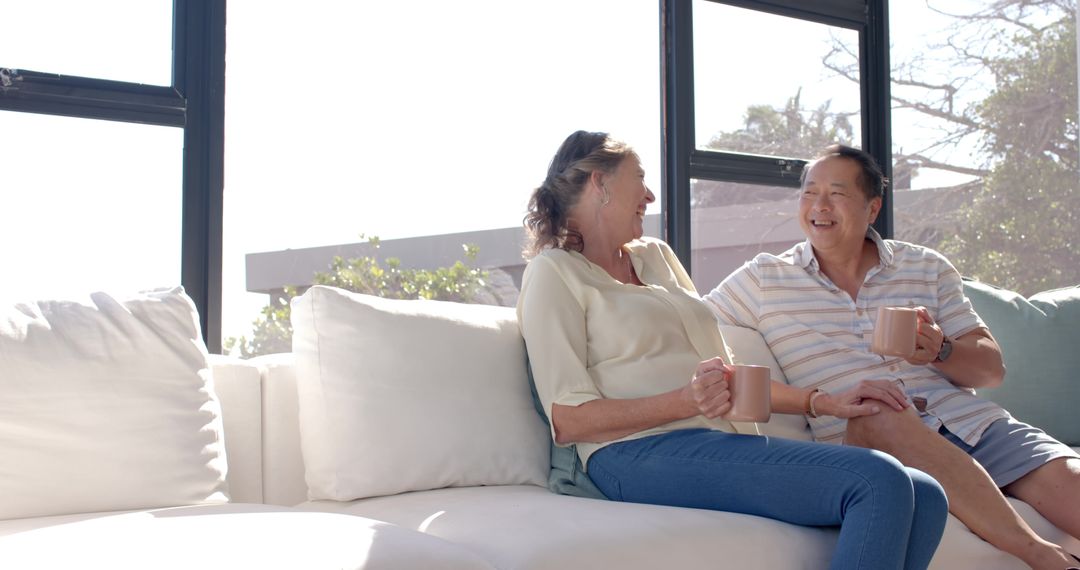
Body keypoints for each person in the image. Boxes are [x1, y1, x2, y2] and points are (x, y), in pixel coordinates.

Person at [517, 130, 948, 570]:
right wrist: (683, 401)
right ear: (598, 184)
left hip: (712, 441)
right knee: (878, 480)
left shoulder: (656, 258)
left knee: (927, 494)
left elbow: (728, 378)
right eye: (640, 179)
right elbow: (568, 419)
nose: (649, 194)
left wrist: (824, 403)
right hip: (630, 454)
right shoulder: (554, 273)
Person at [704, 144, 1080, 570]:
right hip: (870, 432)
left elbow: (991, 369)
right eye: (809, 193)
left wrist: (940, 349)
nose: (819, 206)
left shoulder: (923, 266)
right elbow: (686, 323)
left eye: (837, 194)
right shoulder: (762, 279)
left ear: (873, 207)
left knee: (1070, 481)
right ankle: (1044, 556)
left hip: (970, 425)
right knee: (878, 409)